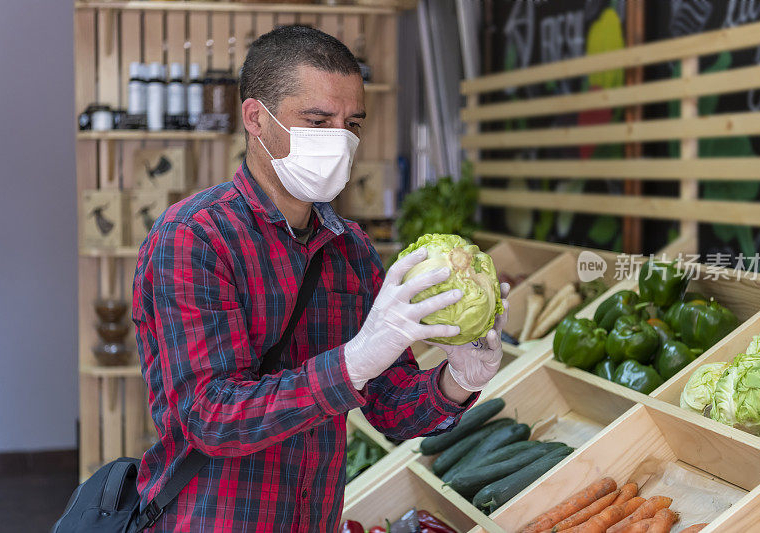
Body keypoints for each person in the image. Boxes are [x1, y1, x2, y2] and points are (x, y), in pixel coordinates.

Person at [132, 25, 509, 532]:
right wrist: (350, 364)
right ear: (256, 120)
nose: (341, 139)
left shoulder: (351, 249)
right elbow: (209, 418)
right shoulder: (194, 238)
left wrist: (458, 380)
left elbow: (391, 411)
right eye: (318, 121)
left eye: (353, 123)